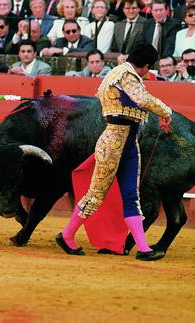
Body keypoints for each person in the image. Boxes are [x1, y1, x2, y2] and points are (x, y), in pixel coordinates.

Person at [56, 43, 172, 261]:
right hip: (113, 141)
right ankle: (67, 235)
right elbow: (143, 99)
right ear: (146, 66)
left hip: (128, 141)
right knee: (96, 195)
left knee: (131, 195)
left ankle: (144, 249)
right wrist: (166, 111)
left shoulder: (113, 75)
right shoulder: (127, 75)